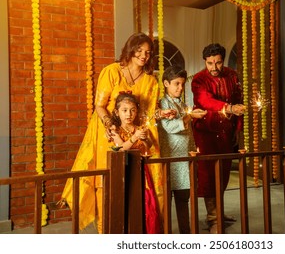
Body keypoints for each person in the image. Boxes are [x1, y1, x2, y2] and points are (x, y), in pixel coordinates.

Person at [60, 32, 174, 233]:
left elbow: (149, 112)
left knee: (141, 183)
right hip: (109, 132)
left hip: (138, 134)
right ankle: (108, 232)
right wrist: (110, 125)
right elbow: (100, 105)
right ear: (130, 49)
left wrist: (162, 113)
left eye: (148, 53)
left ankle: (140, 230)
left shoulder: (151, 80)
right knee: (109, 184)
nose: (143, 56)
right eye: (139, 50)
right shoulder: (112, 72)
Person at [191, 43, 246, 233]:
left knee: (223, 174)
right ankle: (213, 218)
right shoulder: (198, 80)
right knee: (208, 174)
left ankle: (219, 213)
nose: (214, 68)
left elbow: (239, 99)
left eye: (218, 63)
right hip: (206, 132)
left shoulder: (232, 75)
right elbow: (205, 101)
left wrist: (237, 129)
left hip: (226, 132)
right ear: (205, 62)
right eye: (210, 63)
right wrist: (229, 108)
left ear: (223, 60)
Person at [157, 66, 207, 234]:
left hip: (184, 161)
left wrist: (193, 154)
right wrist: (189, 117)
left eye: (182, 84)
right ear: (165, 83)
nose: (180, 88)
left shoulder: (184, 105)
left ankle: (186, 234)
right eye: (176, 84)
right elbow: (170, 127)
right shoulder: (162, 104)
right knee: (166, 202)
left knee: (183, 199)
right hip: (170, 160)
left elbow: (189, 134)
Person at [109, 91, 160, 234]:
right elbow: (120, 148)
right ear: (117, 112)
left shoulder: (139, 128)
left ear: (137, 111)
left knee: (146, 204)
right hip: (123, 171)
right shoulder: (114, 130)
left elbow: (149, 146)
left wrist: (144, 138)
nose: (128, 114)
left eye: (132, 110)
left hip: (141, 172)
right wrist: (134, 138)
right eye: (124, 110)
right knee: (126, 202)